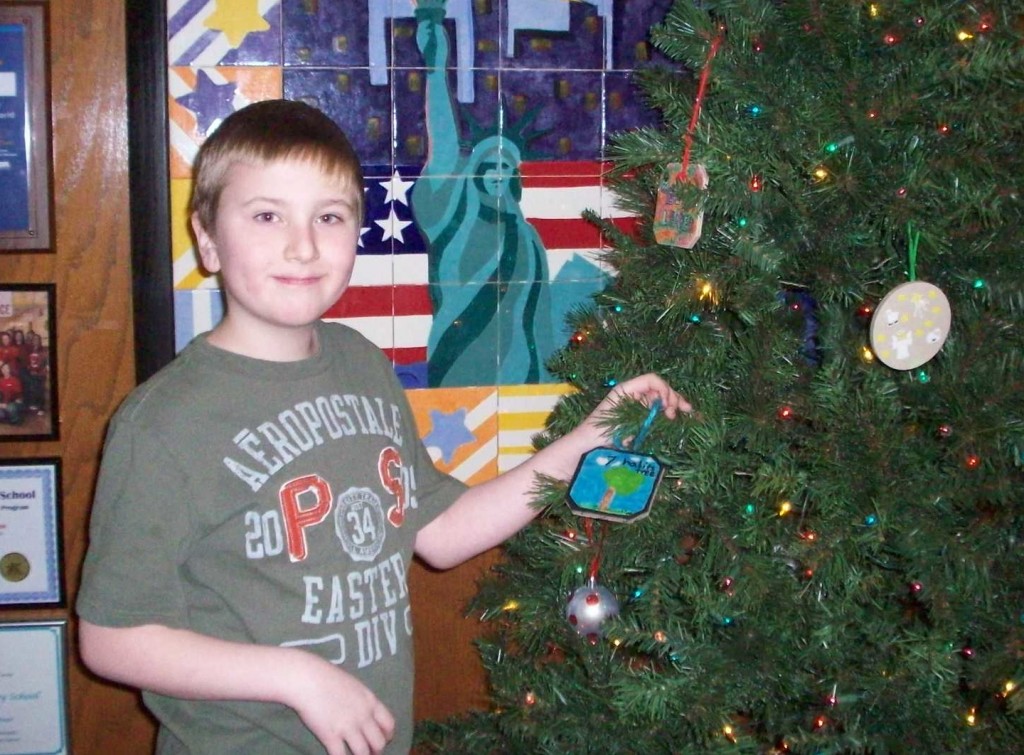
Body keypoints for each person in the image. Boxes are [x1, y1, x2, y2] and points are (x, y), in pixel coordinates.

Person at [76, 99, 690, 755]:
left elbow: (444, 532)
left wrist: (586, 440)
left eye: (329, 217)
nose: (303, 244)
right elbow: (112, 637)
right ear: (206, 237)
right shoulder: (163, 423)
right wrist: (297, 678)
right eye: (265, 215)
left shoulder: (363, 365)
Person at [411, 0, 556, 387]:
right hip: (458, 370)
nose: (497, 175)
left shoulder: (527, 238)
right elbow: (442, 140)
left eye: (506, 169)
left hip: (522, 375)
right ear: (473, 171)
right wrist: (436, 65)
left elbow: (539, 318)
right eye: (489, 166)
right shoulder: (448, 214)